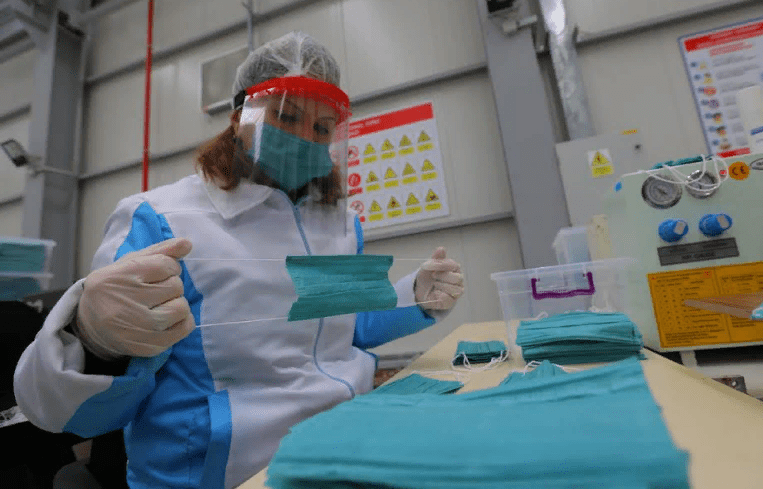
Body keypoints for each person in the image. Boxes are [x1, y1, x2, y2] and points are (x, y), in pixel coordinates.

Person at [14, 31, 464, 489]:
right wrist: (95, 342)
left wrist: (414, 296)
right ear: (238, 119)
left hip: (342, 447)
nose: (305, 137)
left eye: (322, 128)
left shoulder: (337, 223)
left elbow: (344, 329)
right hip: (220, 473)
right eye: (286, 116)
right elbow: (65, 413)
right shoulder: (164, 219)